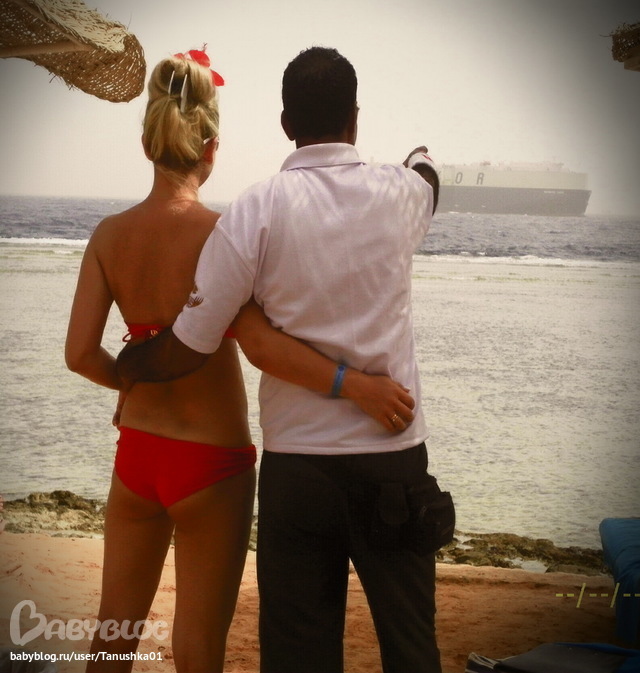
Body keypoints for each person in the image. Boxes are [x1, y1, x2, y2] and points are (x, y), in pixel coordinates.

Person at [66, 49, 414, 673]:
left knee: (113, 635)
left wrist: (127, 379)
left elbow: (78, 353)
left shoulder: (108, 235)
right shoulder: (221, 232)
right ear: (212, 148)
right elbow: (260, 343)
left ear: (147, 144)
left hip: (138, 451)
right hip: (211, 463)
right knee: (199, 648)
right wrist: (355, 383)